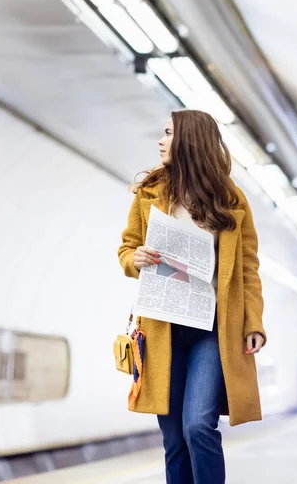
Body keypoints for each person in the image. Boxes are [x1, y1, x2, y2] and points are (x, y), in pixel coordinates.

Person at [118, 109, 266, 484]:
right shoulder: (148, 192)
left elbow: (248, 268)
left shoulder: (232, 201)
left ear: (190, 140)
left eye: (168, 133)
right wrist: (134, 259)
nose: (161, 140)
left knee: (198, 425)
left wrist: (254, 324)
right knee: (173, 439)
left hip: (212, 328)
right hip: (163, 326)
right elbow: (128, 248)